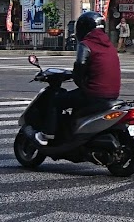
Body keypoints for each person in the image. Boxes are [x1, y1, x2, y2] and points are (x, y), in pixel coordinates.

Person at [35, 10, 121, 145]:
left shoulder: (86, 44)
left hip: (94, 94)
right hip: (113, 94)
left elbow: (80, 65)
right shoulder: (109, 45)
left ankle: (47, 134)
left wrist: (79, 80)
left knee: (56, 101)